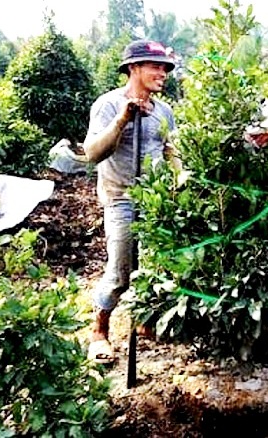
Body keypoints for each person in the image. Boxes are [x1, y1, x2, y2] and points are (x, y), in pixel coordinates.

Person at [83, 40, 177, 364]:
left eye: (165, 67)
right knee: (121, 272)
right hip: (120, 197)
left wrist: (180, 180)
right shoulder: (107, 105)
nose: (162, 73)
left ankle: (144, 321)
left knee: (154, 269)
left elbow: (170, 152)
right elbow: (94, 153)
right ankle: (99, 330)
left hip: (154, 198)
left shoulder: (164, 111)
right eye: (155, 66)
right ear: (133, 68)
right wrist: (123, 119)